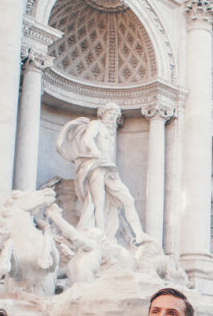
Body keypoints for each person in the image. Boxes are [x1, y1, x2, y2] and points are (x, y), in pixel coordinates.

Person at [55, 103, 151, 245]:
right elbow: (87, 139)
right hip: (96, 166)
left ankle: (139, 233)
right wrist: (96, 152)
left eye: (115, 115)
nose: (113, 117)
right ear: (103, 113)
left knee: (128, 199)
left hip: (109, 169)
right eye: (111, 114)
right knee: (98, 202)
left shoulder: (110, 130)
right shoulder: (96, 124)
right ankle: (102, 234)